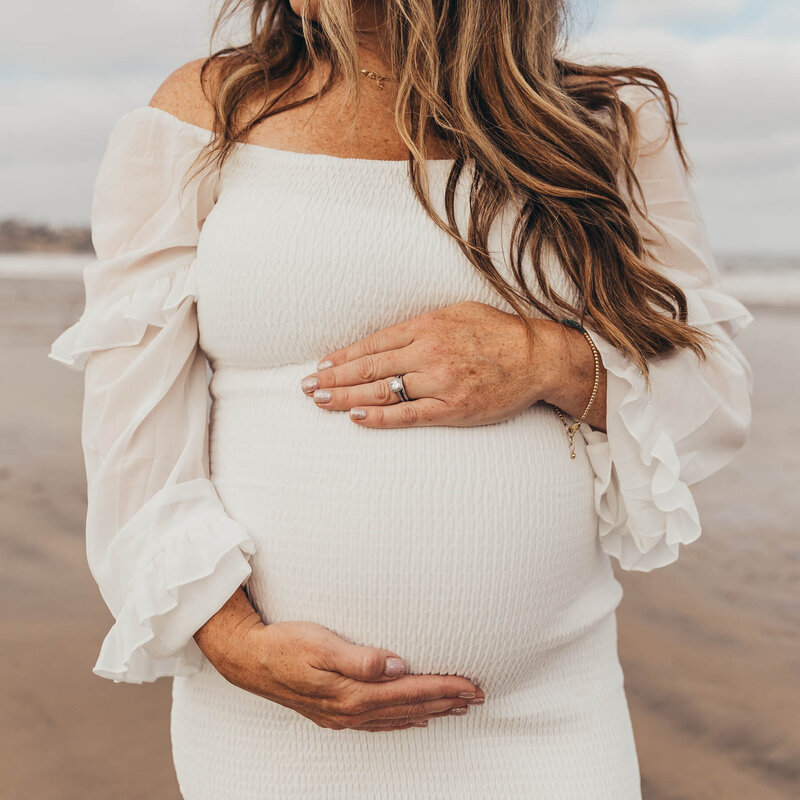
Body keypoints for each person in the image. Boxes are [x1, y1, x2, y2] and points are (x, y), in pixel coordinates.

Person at [48, 0, 753, 797]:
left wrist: (547, 359)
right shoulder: (205, 113)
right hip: (273, 726)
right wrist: (230, 636)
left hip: (549, 723)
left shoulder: (603, 124)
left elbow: (715, 397)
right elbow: (131, 431)